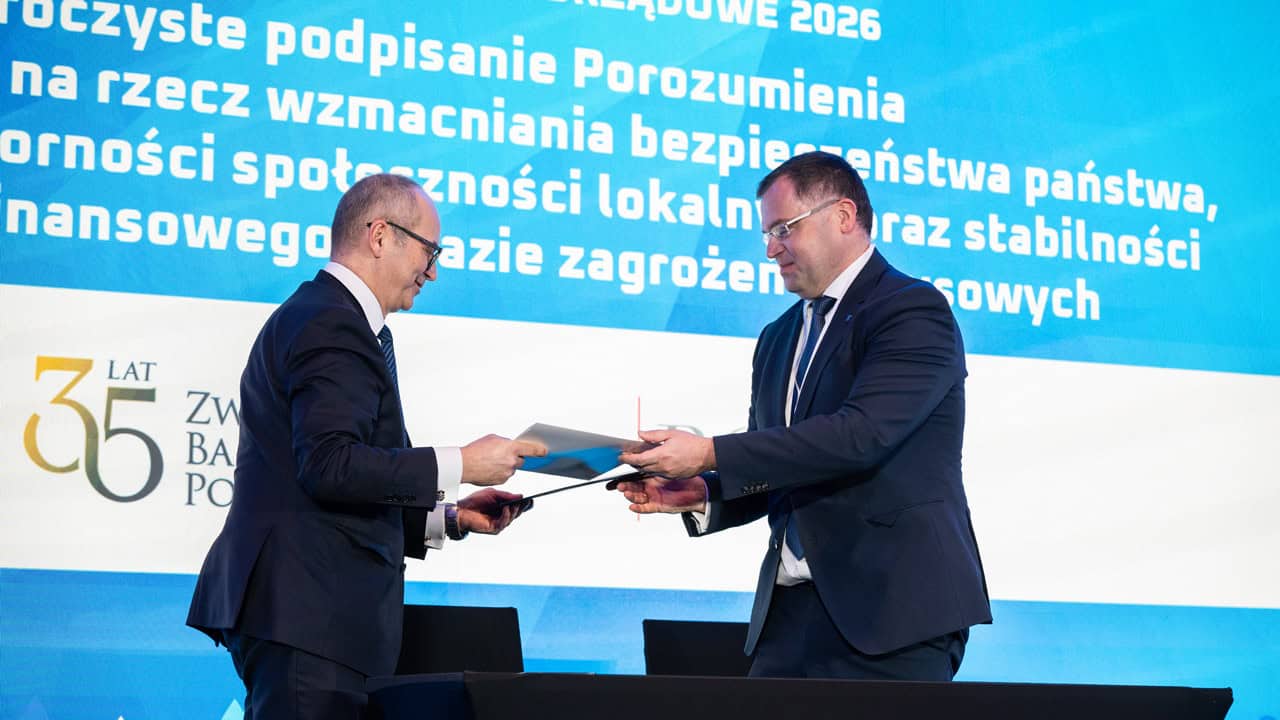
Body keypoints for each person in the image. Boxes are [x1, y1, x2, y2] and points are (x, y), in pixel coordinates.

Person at [617, 151, 990, 681]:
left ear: (843, 216)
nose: (771, 249)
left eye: (783, 229)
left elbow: (861, 435)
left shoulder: (911, 309)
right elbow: (778, 467)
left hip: (894, 614)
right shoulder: (778, 338)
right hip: (790, 619)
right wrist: (700, 491)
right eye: (767, 234)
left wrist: (707, 452)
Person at [187, 173, 546, 718]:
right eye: (429, 251)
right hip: (309, 615)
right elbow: (330, 465)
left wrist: (449, 518)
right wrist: (464, 463)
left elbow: (340, 476)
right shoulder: (331, 321)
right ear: (380, 236)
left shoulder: (329, 316)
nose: (433, 270)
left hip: (312, 617)